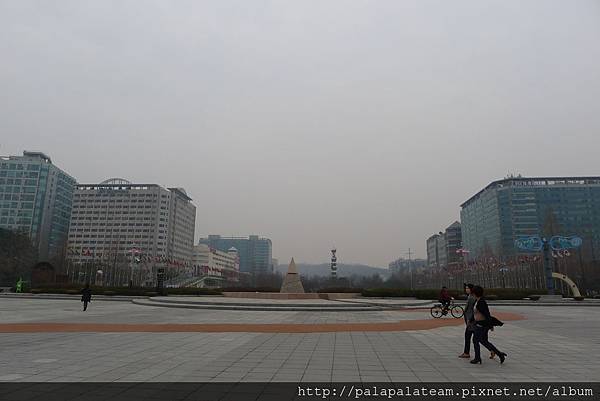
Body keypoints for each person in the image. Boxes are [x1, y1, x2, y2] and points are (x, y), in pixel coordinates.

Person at [469, 285, 507, 365]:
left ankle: (477, 358)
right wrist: (471, 320)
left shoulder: (481, 302)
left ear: (475, 293)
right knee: (484, 341)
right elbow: (476, 312)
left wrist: (490, 325)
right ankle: (500, 354)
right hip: (480, 324)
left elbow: (487, 314)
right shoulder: (478, 301)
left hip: (482, 325)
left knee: (475, 340)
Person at [459, 283, 476, 358]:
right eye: (466, 288)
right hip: (470, 319)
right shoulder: (470, 296)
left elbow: (473, 310)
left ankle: (466, 353)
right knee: (481, 339)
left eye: (468, 288)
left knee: (468, 336)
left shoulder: (472, 297)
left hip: (472, 320)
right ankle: (492, 350)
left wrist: (470, 319)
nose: (466, 290)